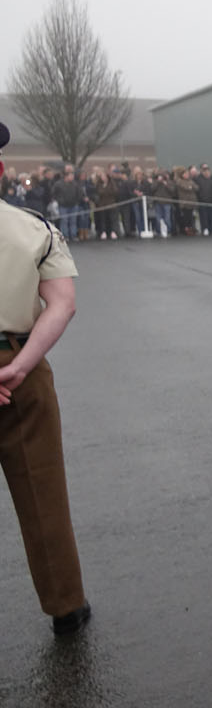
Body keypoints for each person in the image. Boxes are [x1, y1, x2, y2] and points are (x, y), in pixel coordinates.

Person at [0, 122, 91, 636]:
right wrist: (19, 364)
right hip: (20, 369)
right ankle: (65, 605)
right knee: (42, 493)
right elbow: (63, 304)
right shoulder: (35, 228)